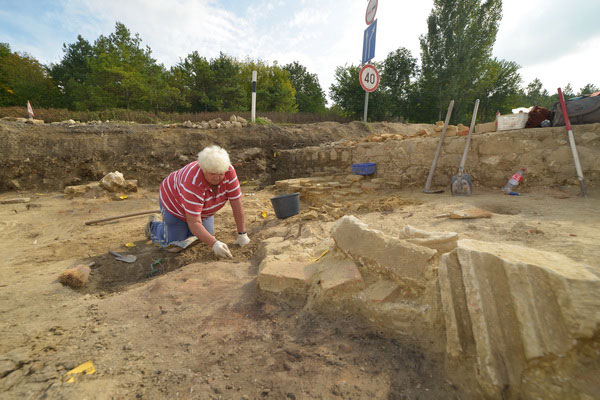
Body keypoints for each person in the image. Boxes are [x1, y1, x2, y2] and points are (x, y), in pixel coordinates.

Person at [146, 145, 250, 258]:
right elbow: (194, 222)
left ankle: (185, 228)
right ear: (203, 169)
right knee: (175, 246)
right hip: (174, 203)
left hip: (202, 208)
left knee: (204, 237)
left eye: (220, 173)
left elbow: (237, 204)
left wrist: (242, 234)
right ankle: (153, 227)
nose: (217, 177)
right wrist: (214, 244)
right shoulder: (192, 182)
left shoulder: (229, 171)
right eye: (212, 174)